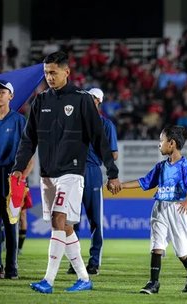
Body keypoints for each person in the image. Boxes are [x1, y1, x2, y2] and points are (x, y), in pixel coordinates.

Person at [12, 51, 121, 293]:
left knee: (58, 219)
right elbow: (28, 139)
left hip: (72, 172)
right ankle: (84, 278)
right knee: (65, 227)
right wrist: (19, 167)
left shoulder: (82, 100)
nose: (49, 77)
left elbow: (99, 138)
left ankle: (48, 281)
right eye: (46, 73)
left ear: (66, 72)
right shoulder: (40, 102)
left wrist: (112, 173)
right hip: (48, 174)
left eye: (53, 72)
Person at [121, 125, 187, 294]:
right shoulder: (161, 167)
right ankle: (153, 283)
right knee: (156, 246)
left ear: (171, 143)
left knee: (182, 251)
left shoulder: (185, 166)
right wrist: (121, 186)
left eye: (161, 141)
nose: (159, 144)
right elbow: (144, 182)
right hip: (160, 207)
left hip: (178, 209)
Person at [68, 87, 118, 275]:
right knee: (72, 220)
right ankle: (75, 261)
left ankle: (94, 262)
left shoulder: (105, 125)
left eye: (93, 98)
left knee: (95, 219)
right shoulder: (74, 122)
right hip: (72, 172)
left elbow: (113, 153)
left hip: (91, 172)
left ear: (98, 101)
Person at [0, 80, 32, 279]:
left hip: (11, 176)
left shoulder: (19, 121)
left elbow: (30, 153)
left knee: (11, 224)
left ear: (11, 96)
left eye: (3, 92)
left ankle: (12, 268)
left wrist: (23, 178)